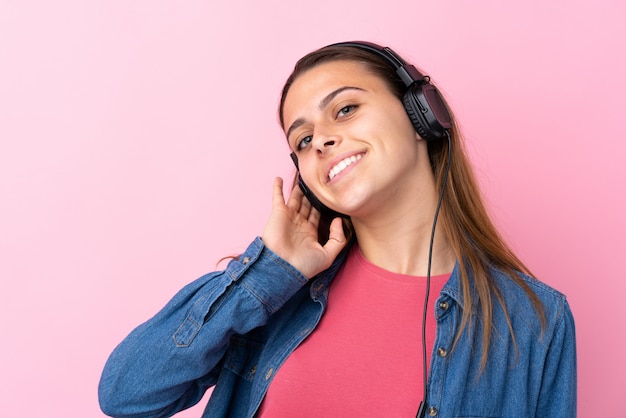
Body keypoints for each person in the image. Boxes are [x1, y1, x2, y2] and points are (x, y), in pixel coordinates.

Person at [98, 41, 577, 418]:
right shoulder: (278, 293)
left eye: (345, 109)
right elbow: (127, 395)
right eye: (303, 140)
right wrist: (266, 275)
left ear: (420, 115)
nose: (322, 139)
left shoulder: (536, 320)